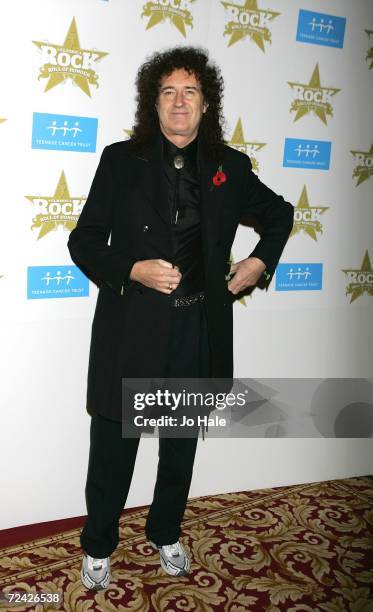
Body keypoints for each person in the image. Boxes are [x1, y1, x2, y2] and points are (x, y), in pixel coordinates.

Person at [67, 45, 294, 591]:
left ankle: (165, 531)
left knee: (180, 446)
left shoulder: (231, 168)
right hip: (133, 330)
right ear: (154, 101)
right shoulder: (122, 160)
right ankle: (99, 544)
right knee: (114, 446)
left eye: (190, 91)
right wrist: (133, 269)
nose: (179, 102)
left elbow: (280, 214)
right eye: (168, 90)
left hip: (197, 329)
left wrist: (259, 262)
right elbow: (85, 240)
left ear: (206, 103)